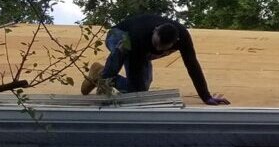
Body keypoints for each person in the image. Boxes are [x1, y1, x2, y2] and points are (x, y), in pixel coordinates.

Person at [80, 15, 230, 105]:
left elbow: (192, 65)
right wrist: (105, 83)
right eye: (156, 44)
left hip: (141, 50)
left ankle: (99, 74)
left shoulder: (183, 37)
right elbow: (119, 59)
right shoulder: (138, 36)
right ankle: (100, 74)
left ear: (174, 42)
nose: (157, 49)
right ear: (155, 30)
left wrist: (206, 96)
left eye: (162, 48)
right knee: (134, 88)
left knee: (139, 91)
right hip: (120, 35)